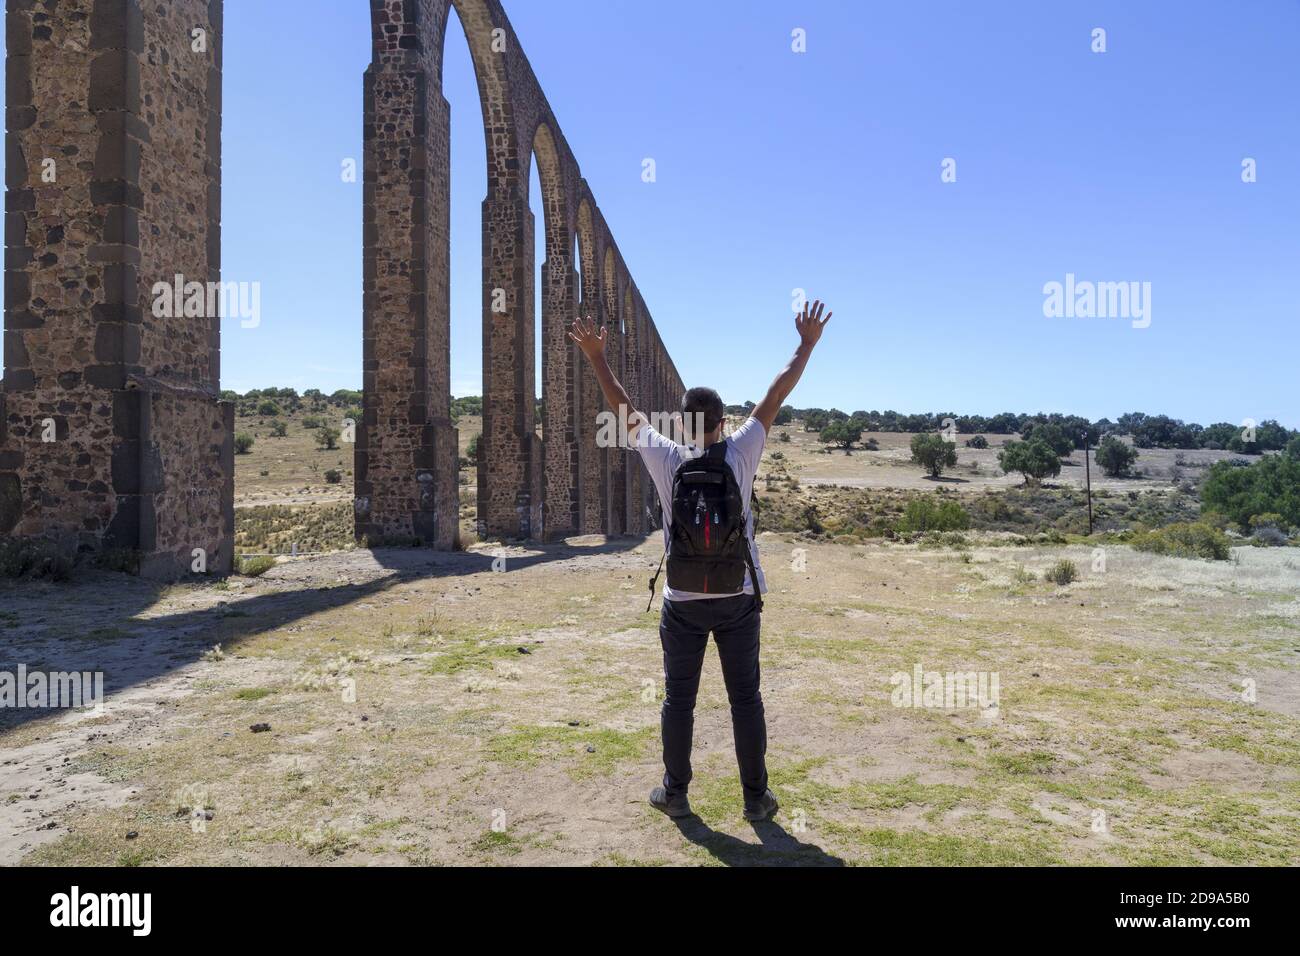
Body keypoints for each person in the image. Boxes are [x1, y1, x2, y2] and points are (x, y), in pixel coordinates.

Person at [568, 299, 832, 821]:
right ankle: (756, 800)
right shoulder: (742, 450)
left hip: (683, 600)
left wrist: (597, 355)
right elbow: (776, 395)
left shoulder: (665, 456)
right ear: (723, 421)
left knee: (678, 700)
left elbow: (624, 408)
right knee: (746, 700)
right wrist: (805, 345)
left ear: (684, 423)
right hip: (738, 598)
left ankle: (675, 792)